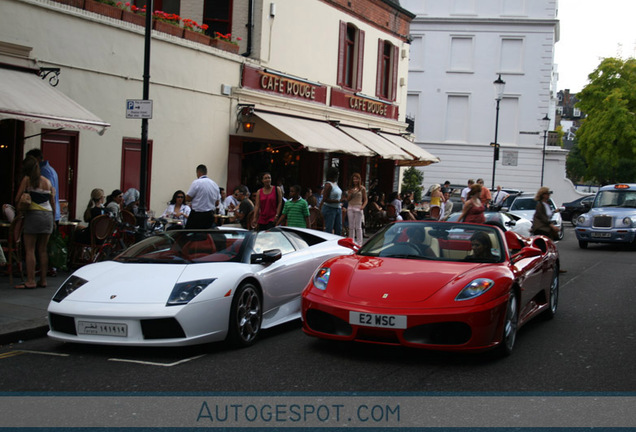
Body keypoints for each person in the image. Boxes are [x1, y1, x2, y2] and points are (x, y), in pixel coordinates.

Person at [14, 156, 55, 289]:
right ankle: (43, 280)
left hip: (33, 215)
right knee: (43, 250)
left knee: (30, 249)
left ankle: (31, 280)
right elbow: (52, 202)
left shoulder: (27, 180)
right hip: (47, 215)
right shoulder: (47, 182)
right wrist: (54, 219)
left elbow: (17, 198)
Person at [26, 149, 60, 225]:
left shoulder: (43, 171)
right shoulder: (50, 169)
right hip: (51, 212)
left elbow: (48, 193)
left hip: (44, 212)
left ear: (37, 159)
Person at [185, 164, 220, 229]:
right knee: (205, 234)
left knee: (189, 233)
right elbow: (217, 203)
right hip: (210, 215)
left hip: (197, 214)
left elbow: (188, 198)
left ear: (198, 172)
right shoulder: (214, 184)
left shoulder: (197, 182)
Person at [320, 167, 345, 235]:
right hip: (330, 208)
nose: (338, 175)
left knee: (338, 228)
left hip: (338, 208)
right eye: (337, 174)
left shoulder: (335, 183)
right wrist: (337, 201)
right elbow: (325, 199)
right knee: (329, 228)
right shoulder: (328, 185)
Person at [346, 173, 368, 245]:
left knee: (358, 226)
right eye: (354, 179)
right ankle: (351, 241)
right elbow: (348, 199)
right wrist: (350, 194)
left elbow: (365, 199)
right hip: (350, 206)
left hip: (358, 206)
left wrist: (363, 206)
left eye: (356, 179)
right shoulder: (350, 189)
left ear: (359, 180)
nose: (355, 180)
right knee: (351, 226)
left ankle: (359, 243)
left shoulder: (362, 188)